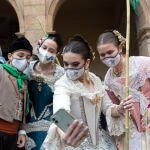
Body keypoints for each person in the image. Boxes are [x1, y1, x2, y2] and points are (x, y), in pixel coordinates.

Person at [42, 35, 134, 150]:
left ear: (87, 63)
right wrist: (64, 133)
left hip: (102, 143)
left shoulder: (95, 80)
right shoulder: (62, 84)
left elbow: (107, 107)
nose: (69, 69)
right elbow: (60, 112)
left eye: (75, 64)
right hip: (75, 144)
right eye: (66, 64)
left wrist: (120, 108)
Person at [97, 30, 150, 150]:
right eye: (102, 55)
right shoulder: (108, 79)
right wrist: (120, 108)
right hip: (132, 130)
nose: (107, 57)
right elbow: (113, 106)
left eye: (110, 52)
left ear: (120, 47)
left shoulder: (142, 63)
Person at [25, 33, 64, 150]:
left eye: (51, 51)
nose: (46, 52)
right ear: (39, 47)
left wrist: (63, 132)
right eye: (44, 48)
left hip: (51, 127)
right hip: (25, 125)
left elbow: (64, 104)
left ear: (56, 54)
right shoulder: (27, 68)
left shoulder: (61, 74)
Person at [0, 37, 33, 150]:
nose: (25, 59)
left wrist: (22, 131)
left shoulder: (24, 79)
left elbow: (23, 106)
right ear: (10, 56)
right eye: (20, 55)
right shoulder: (1, 71)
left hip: (14, 134)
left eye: (28, 57)